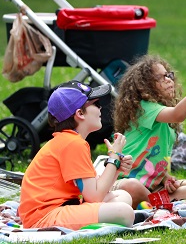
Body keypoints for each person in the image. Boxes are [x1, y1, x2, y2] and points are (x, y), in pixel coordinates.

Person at [18, 81, 135, 230]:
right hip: (44, 217)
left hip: (56, 209)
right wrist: (113, 157)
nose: (100, 108)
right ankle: (100, 223)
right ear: (80, 113)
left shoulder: (71, 141)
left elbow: (94, 192)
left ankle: (96, 223)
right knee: (124, 212)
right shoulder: (73, 143)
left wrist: (116, 167)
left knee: (123, 197)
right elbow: (95, 197)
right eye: (96, 104)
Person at [112, 51, 186, 207]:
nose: (169, 80)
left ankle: (153, 204)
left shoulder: (166, 123)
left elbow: (154, 158)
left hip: (152, 187)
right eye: (162, 77)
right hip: (124, 184)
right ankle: (158, 203)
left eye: (169, 75)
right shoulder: (143, 109)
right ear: (145, 86)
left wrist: (166, 178)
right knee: (132, 186)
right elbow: (179, 114)